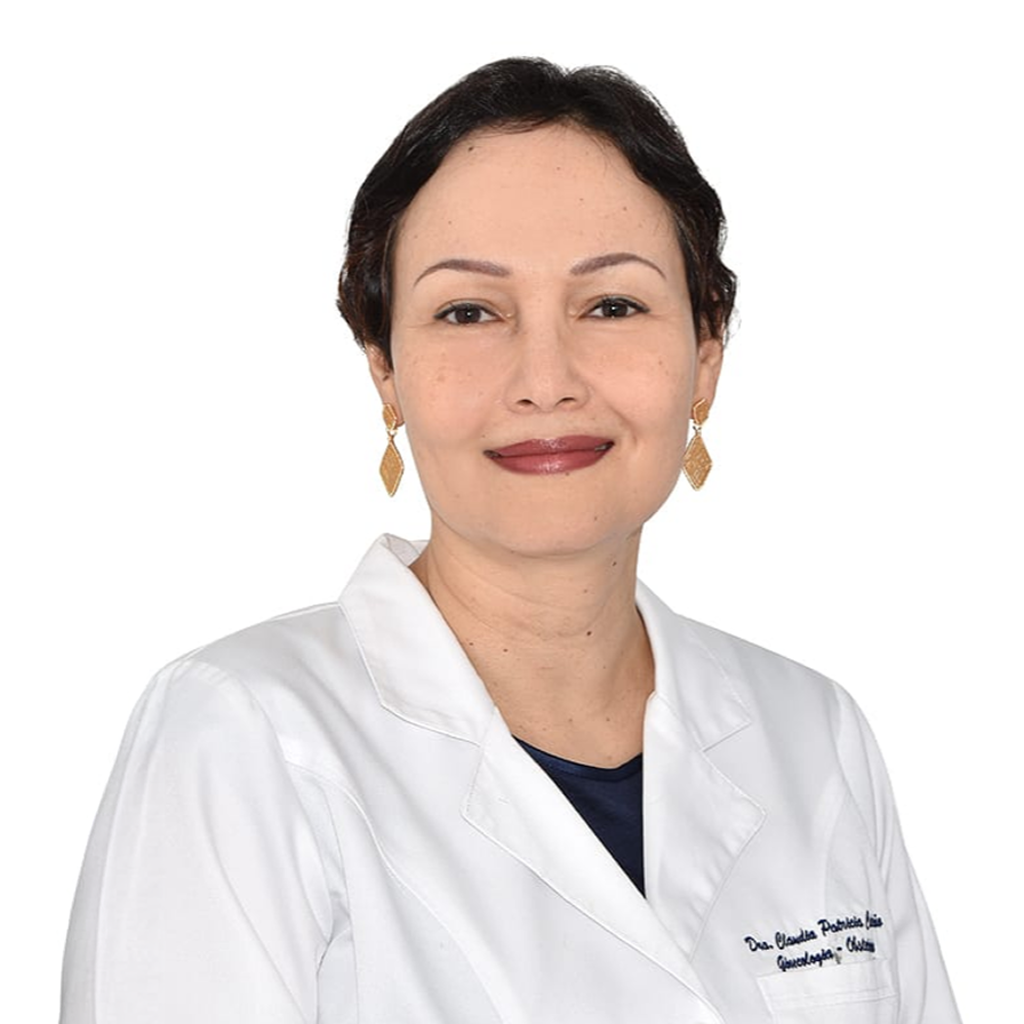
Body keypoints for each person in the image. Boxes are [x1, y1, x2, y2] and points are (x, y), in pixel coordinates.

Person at [60, 57, 961, 1023]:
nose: (545, 379)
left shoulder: (814, 737)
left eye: (612, 305)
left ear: (706, 355)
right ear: (385, 369)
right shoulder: (241, 735)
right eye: (469, 312)